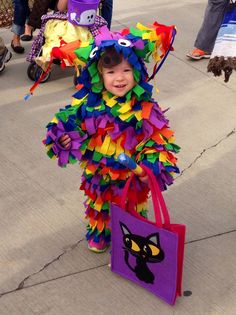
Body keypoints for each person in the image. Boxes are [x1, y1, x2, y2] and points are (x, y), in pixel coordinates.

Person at [43, 23, 180, 253]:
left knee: (133, 207)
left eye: (126, 70)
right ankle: (100, 232)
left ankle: (134, 236)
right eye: (111, 72)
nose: (120, 78)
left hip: (131, 176)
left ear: (137, 72)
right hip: (98, 174)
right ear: (99, 75)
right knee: (99, 205)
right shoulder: (90, 103)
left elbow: (157, 139)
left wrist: (152, 166)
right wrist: (64, 136)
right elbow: (69, 120)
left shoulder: (144, 107)